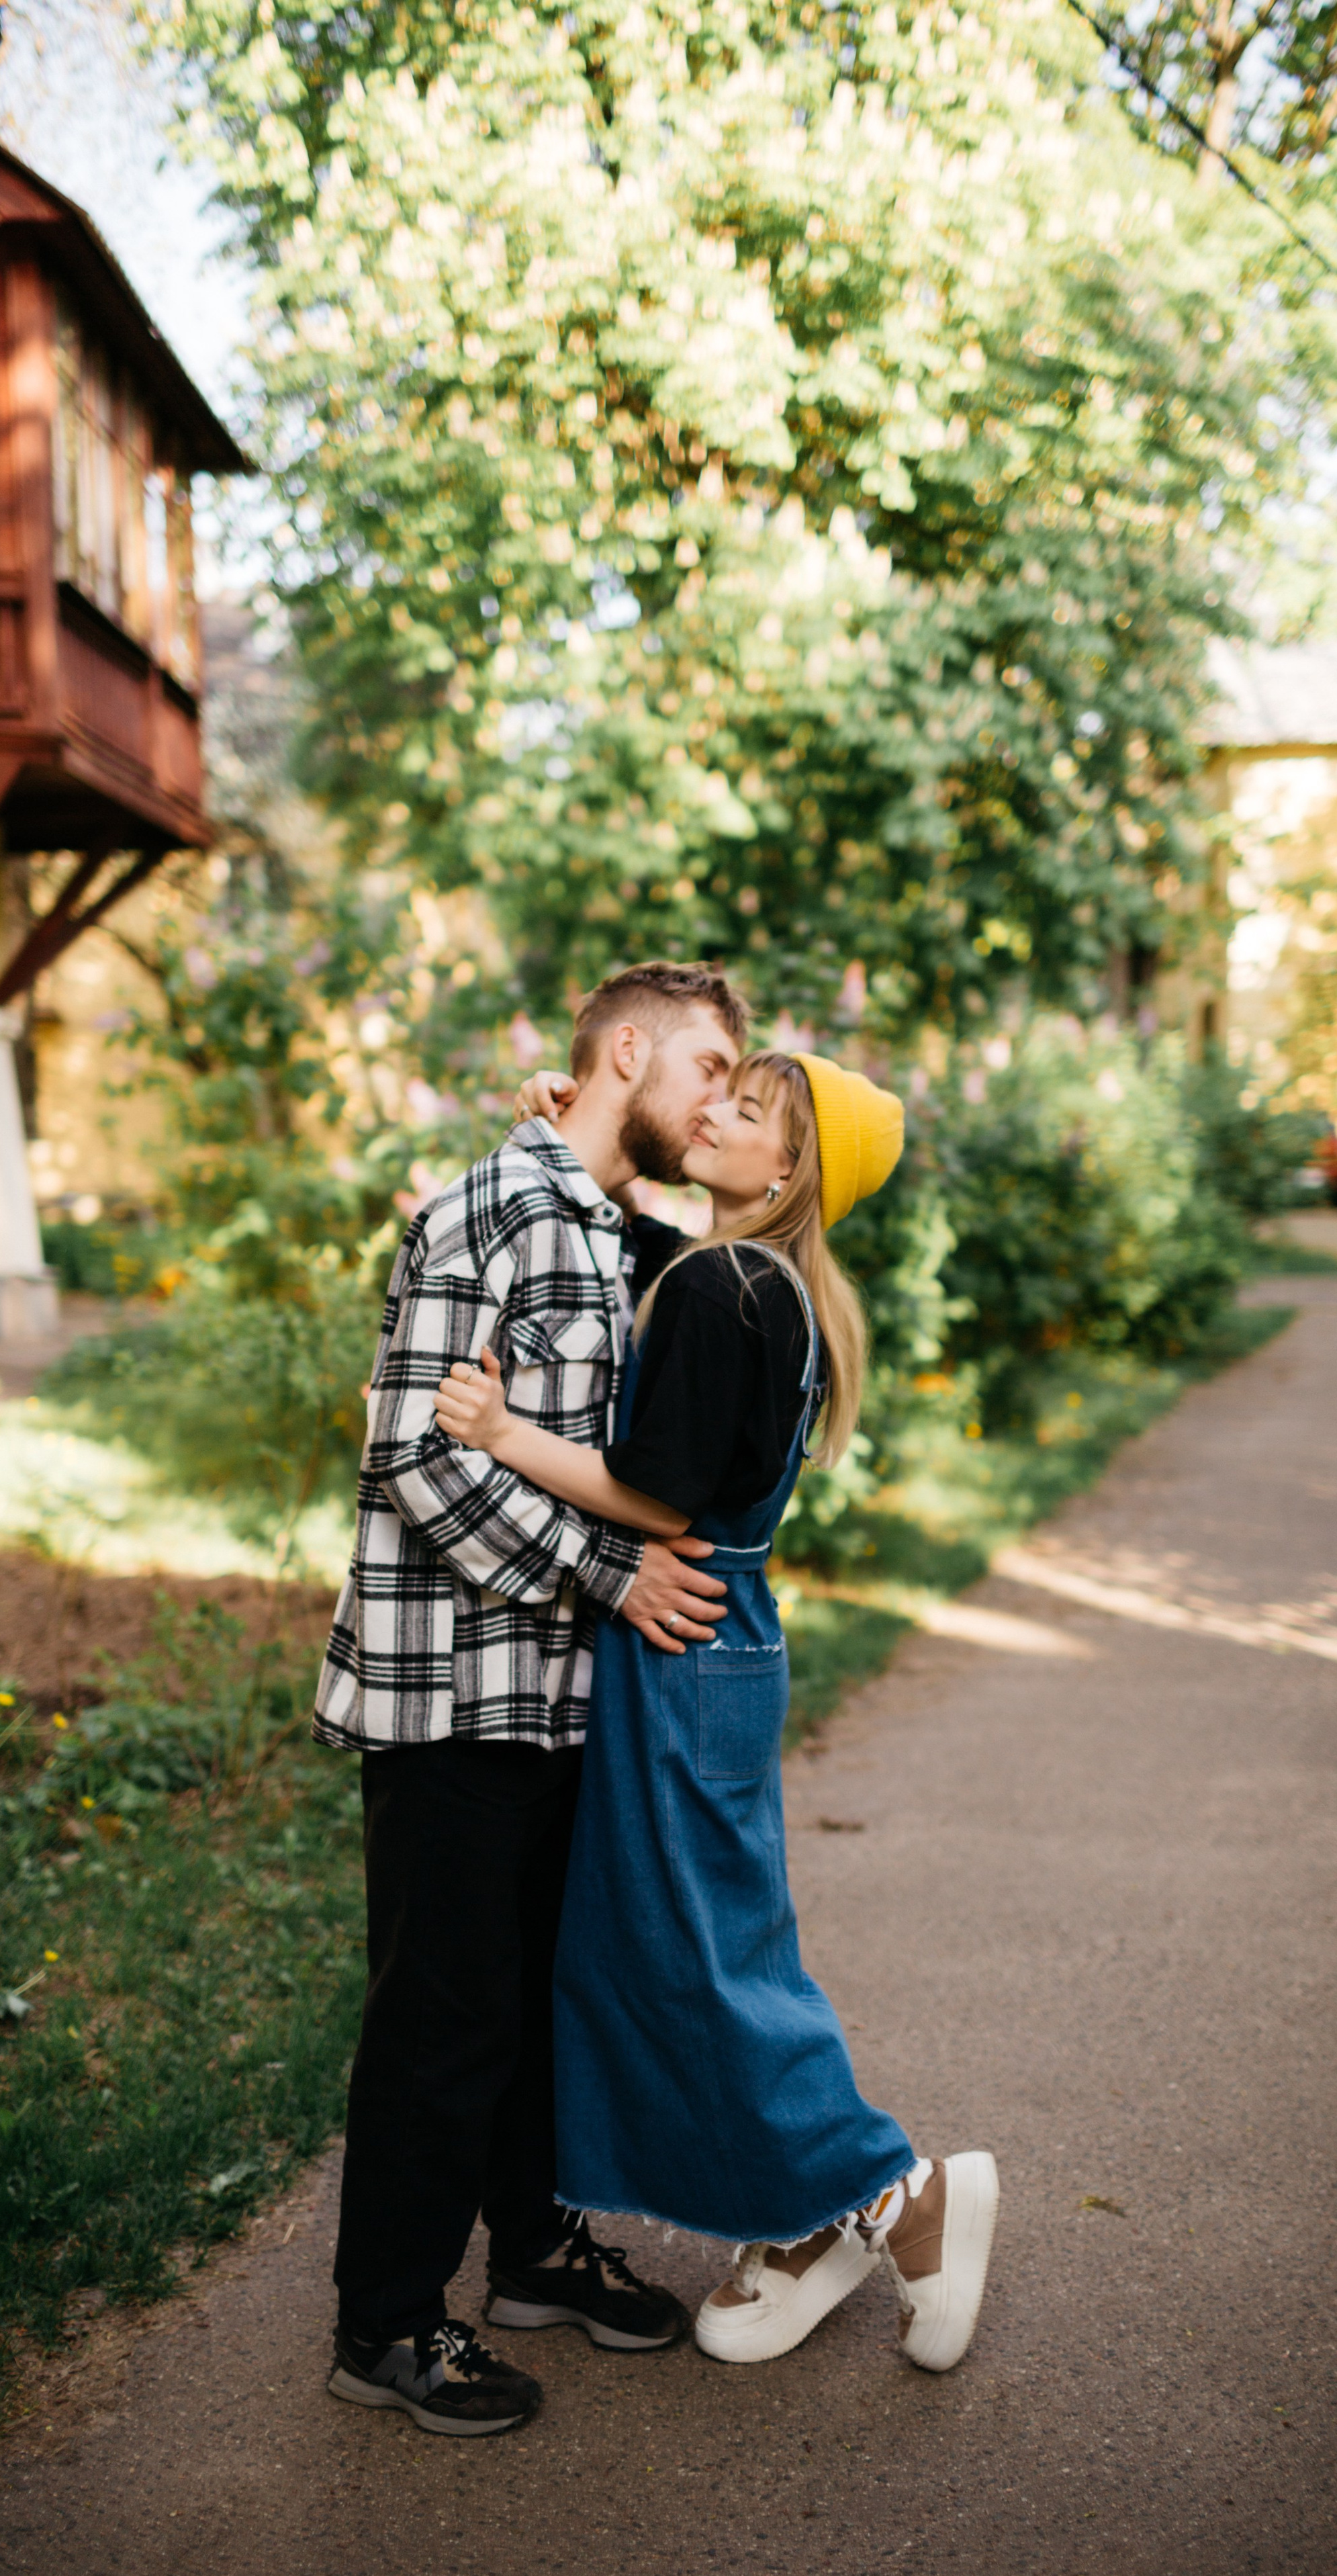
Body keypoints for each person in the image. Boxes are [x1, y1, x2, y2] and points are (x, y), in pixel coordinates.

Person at [434, 1049, 1000, 2373]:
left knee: (694, 1949)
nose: (715, 1114)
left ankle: (887, 2195)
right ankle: (798, 2217)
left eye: (746, 1112)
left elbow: (662, 1495)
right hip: (725, 1636)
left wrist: (502, 1432)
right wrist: (571, 1128)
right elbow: (642, 1247)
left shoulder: (721, 1288)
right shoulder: (763, 1283)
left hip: (681, 1634)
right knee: (698, 1936)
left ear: (787, 1169)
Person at [312, 962, 753, 2437]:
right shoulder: (478, 1215)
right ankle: (384, 2324)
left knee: (535, 2006)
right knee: (441, 2018)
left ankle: (533, 2256)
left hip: (569, 1704)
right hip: (451, 1693)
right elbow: (416, 1458)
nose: (718, 1102)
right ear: (624, 1050)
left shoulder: (625, 1235)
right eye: (703, 1068)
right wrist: (609, 1574)